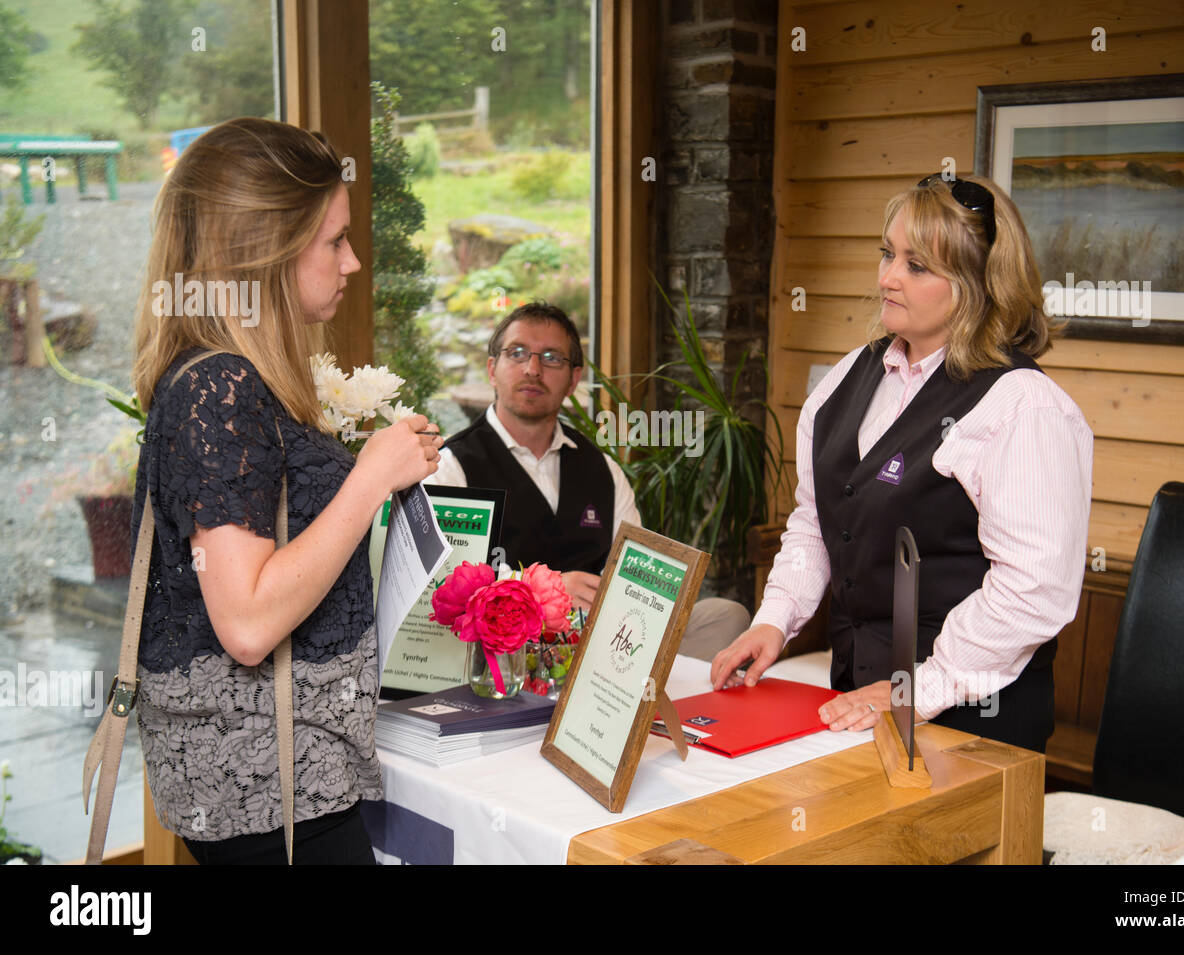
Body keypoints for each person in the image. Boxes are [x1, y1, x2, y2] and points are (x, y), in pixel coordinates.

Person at [129, 118, 441, 864]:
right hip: (272, 797)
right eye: (333, 241)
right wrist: (370, 478)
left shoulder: (219, 377)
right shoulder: (221, 384)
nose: (355, 262)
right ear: (262, 251)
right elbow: (245, 621)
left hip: (272, 787)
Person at [710, 174, 1093, 753]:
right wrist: (774, 620)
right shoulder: (847, 378)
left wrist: (918, 687)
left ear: (977, 285)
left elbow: (1032, 591)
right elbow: (817, 523)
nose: (887, 277)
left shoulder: (1024, 407)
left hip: (971, 727)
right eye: (889, 254)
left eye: (917, 266)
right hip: (857, 705)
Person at [430, 301, 749, 656]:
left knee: (725, 616)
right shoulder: (450, 467)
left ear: (573, 380)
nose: (533, 369)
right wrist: (539, 592)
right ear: (492, 369)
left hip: (597, 643)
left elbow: (636, 573)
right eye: (517, 353)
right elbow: (443, 586)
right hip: (501, 651)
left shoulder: (603, 470)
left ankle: (630, 688)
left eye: (552, 358)